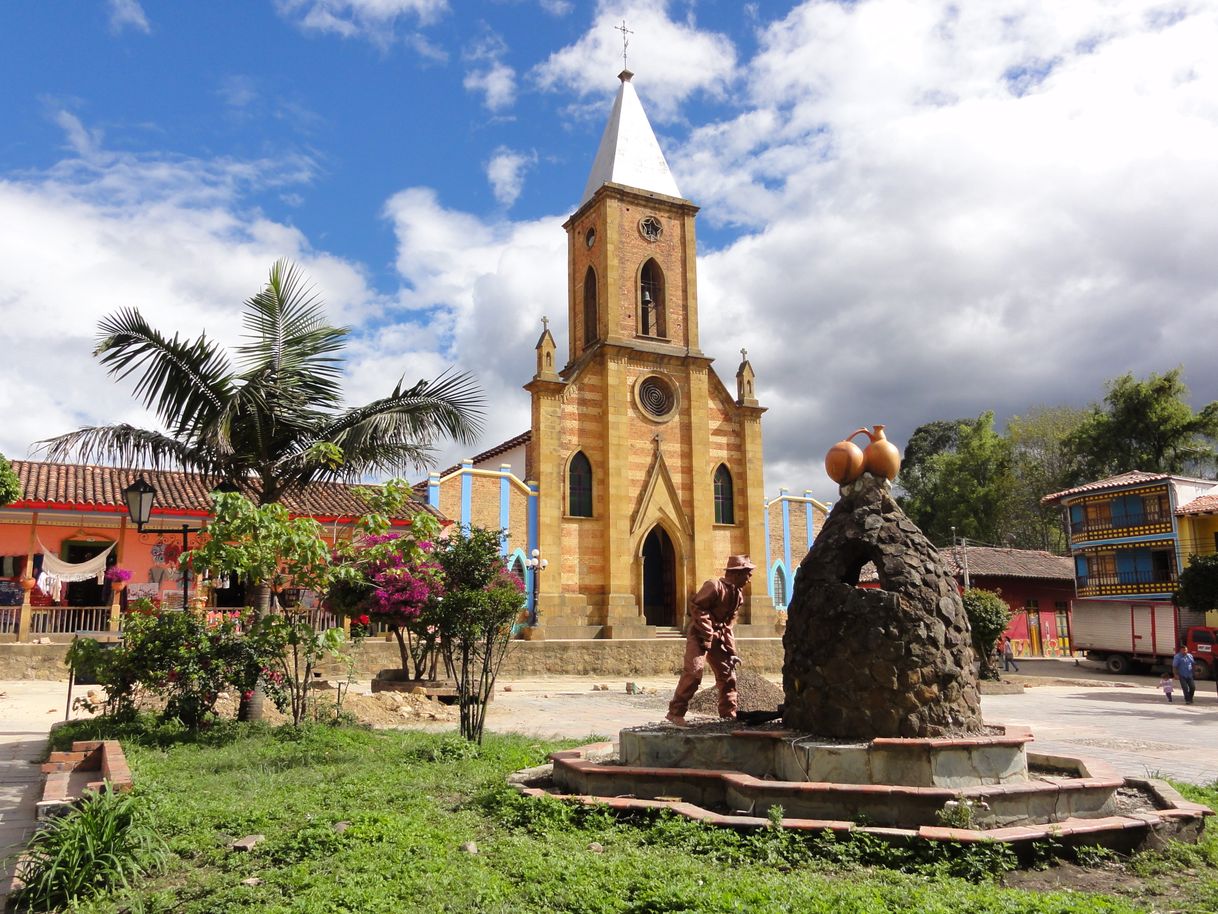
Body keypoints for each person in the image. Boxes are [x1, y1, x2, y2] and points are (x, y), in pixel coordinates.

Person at [665, 555, 754, 727]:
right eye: (747, 574)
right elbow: (697, 607)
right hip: (700, 634)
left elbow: (728, 625)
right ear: (737, 574)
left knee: (728, 675)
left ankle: (729, 713)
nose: (749, 579)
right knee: (694, 672)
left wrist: (731, 651)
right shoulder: (714, 586)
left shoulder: (738, 595)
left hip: (718, 636)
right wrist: (707, 633)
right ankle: (675, 712)